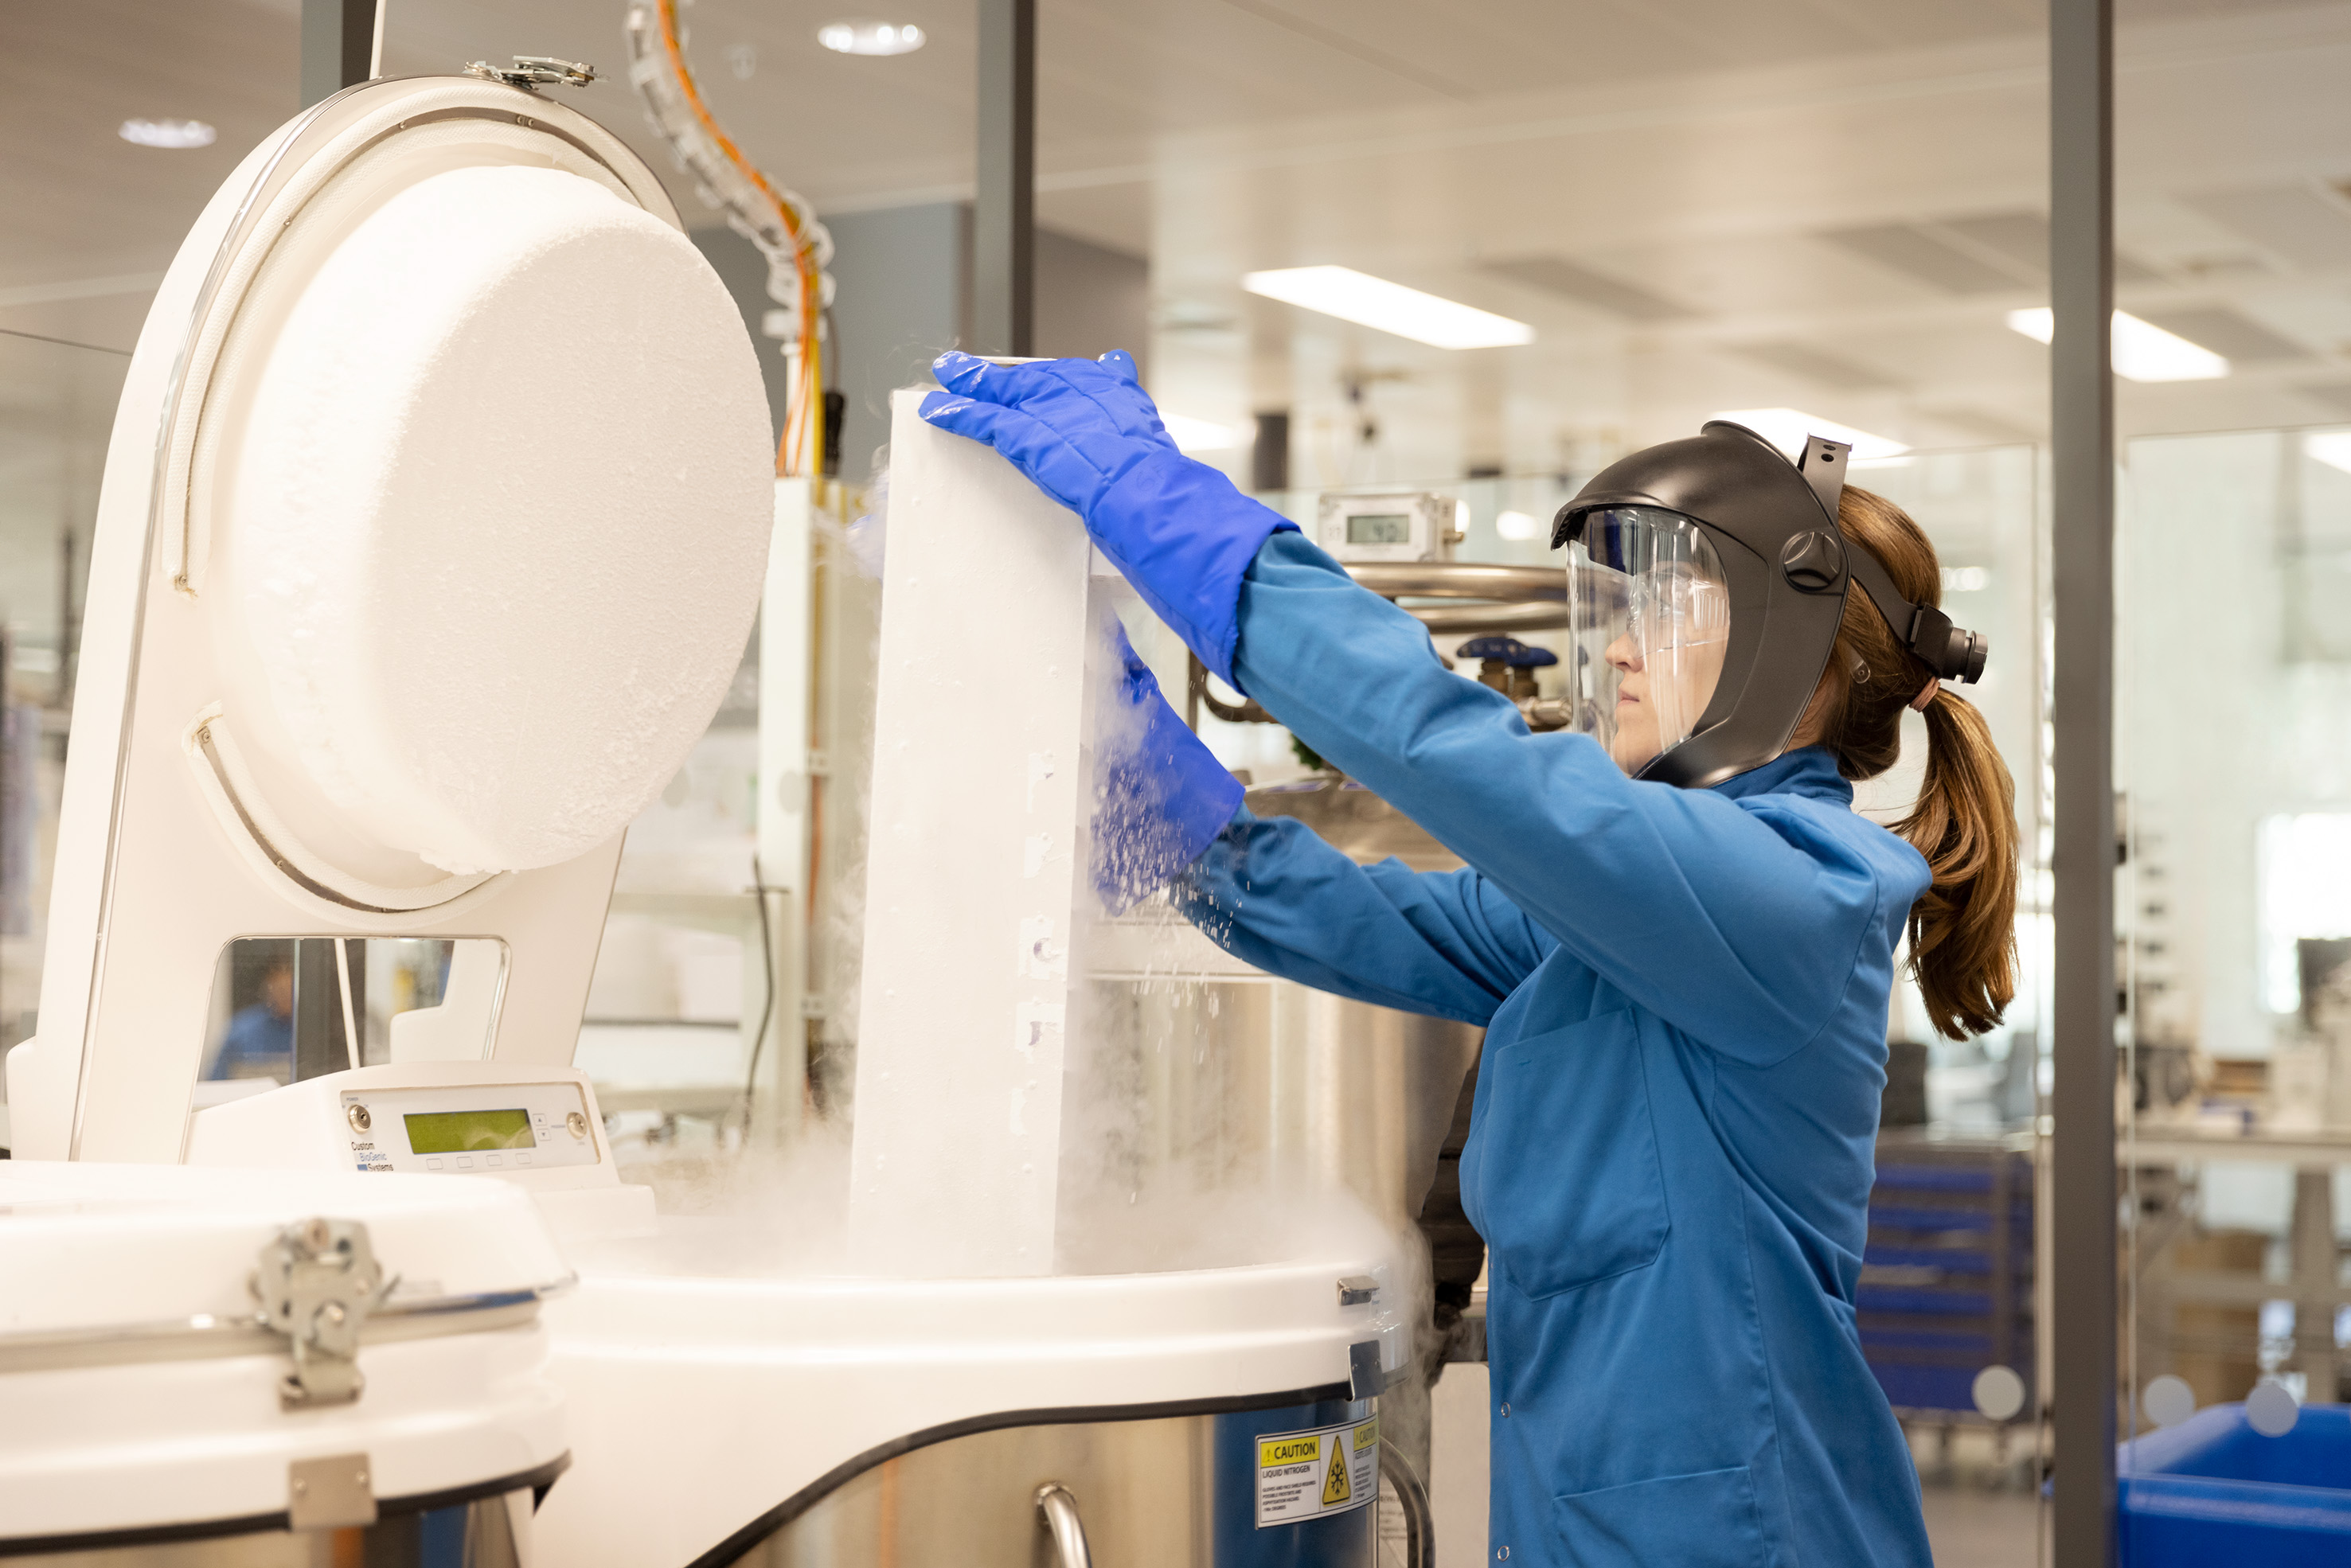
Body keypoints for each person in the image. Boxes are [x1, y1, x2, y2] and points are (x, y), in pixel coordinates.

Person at [922, 350, 2017, 1568]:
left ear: (1786, 640)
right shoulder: (1633, 914)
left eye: (1674, 604)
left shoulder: (1786, 893)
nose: (1625, 649)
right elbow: (1364, 920)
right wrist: (1138, 775)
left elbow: (1443, 745)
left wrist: (1166, 508)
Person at [209, 953, 295, 1081]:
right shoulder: (241, 1032)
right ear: (269, 988)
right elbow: (216, 1085)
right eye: (281, 990)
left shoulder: (316, 1035)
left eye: (291, 990)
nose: (286, 996)